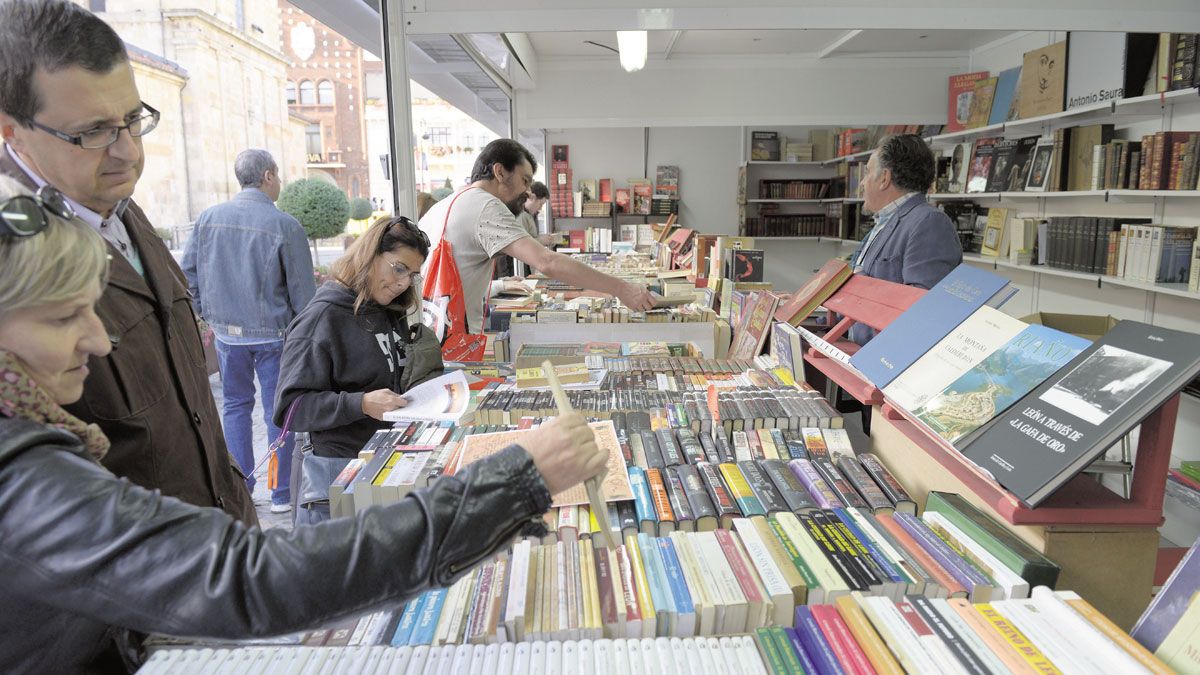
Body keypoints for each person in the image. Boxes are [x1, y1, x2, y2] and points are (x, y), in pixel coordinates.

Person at [0, 175, 608, 673]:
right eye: (62, 318)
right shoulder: (23, 478)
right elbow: (249, 570)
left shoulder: (44, 441)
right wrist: (510, 479)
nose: (99, 338)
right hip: (339, 464)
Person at [0, 0, 256, 523]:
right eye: (91, 133)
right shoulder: (15, 253)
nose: (128, 153)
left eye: (133, 120)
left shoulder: (121, 207)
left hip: (222, 551)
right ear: (12, 132)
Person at [274, 216, 445, 523]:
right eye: (398, 268)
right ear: (370, 255)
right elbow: (290, 410)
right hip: (335, 480)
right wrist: (362, 403)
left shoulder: (387, 309)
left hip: (378, 468)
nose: (403, 282)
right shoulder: (322, 319)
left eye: (412, 275)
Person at [182, 149, 316, 514]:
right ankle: (279, 492)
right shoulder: (285, 225)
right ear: (269, 176)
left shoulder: (208, 218)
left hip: (226, 336)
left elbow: (187, 274)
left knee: (236, 408)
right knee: (278, 413)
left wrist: (205, 314)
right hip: (275, 337)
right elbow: (303, 294)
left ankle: (243, 487)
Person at [418, 138, 655, 335]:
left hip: (430, 332)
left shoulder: (448, 204)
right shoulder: (485, 205)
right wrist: (622, 289)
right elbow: (547, 261)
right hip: (451, 339)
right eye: (525, 180)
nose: (528, 191)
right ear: (500, 172)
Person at [849, 133, 963, 345]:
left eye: (867, 173)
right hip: (853, 351)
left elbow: (921, 309)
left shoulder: (929, 222)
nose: (862, 183)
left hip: (883, 359)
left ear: (884, 178)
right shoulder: (882, 223)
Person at [517, 181, 555, 247]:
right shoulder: (521, 216)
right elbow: (522, 246)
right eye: (540, 204)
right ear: (533, 197)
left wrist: (544, 238)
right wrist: (541, 240)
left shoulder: (531, 214)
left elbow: (532, 237)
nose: (540, 208)